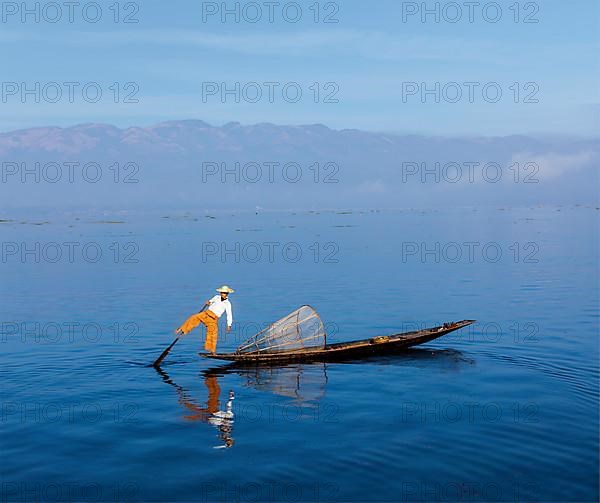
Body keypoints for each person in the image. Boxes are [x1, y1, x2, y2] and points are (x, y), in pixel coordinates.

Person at [175, 285, 234, 355]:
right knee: (193, 317)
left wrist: (229, 325)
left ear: (227, 294)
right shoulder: (216, 297)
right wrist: (208, 302)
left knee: (213, 334)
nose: (223, 294)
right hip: (206, 314)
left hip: (213, 319)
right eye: (222, 292)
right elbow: (210, 302)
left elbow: (229, 315)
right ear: (220, 293)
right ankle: (182, 329)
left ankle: (212, 351)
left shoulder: (227, 304)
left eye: (225, 293)